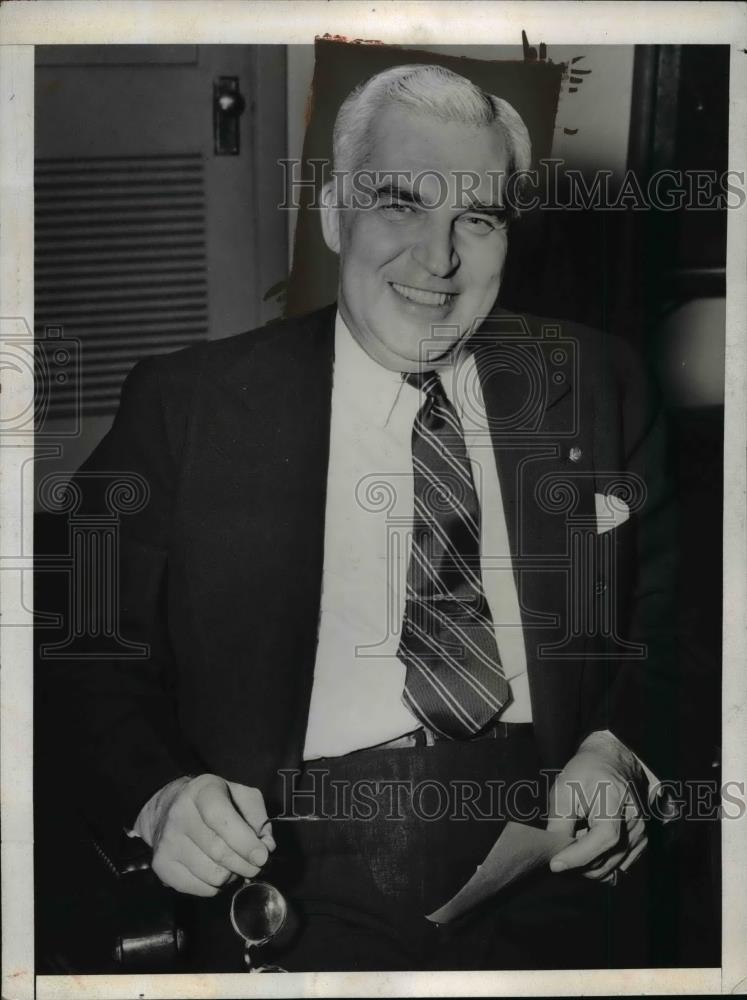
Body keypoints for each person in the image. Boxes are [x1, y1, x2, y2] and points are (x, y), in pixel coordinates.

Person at [67, 63, 678, 971]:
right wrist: (159, 794)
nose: (438, 260)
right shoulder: (188, 405)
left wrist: (620, 747)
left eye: (475, 217)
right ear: (331, 213)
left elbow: (685, 605)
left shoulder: (595, 381)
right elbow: (77, 641)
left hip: (556, 841)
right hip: (293, 855)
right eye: (399, 204)